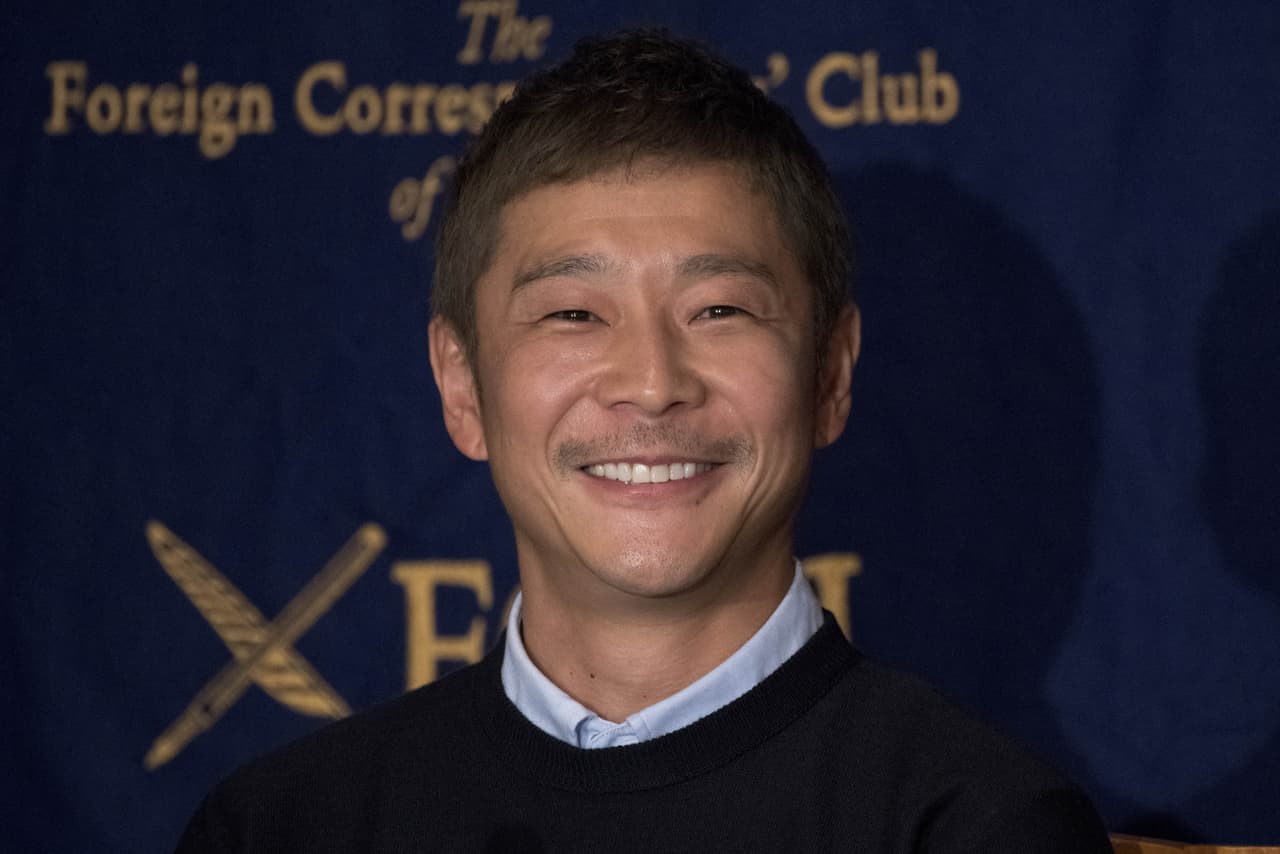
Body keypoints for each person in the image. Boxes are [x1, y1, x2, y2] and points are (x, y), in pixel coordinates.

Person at [176, 30, 1113, 853]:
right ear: (462, 387)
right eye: (575, 313)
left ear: (830, 375)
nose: (654, 384)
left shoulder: (975, 826)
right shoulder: (283, 828)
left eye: (720, 309)